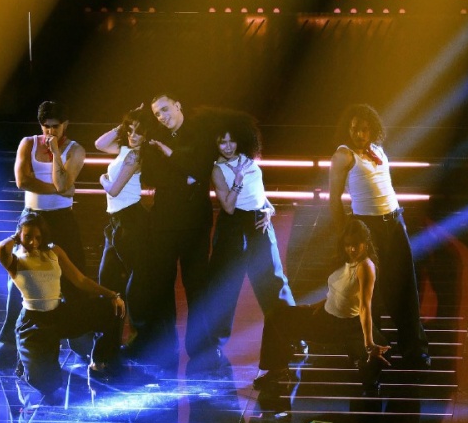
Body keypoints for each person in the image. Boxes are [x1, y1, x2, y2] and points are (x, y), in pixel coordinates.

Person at [0, 101, 87, 371]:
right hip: (31, 218)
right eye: (46, 126)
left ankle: (81, 343)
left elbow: (66, 184)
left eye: (56, 126)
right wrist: (58, 188)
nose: (50, 131)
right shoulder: (28, 143)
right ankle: (6, 345)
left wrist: (55, 155)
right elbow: (23, 181)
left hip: (62, 220)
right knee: (17, 281)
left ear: (65, 124)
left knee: (72, 278)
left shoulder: (74, 149)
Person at [328, 103, 429, 366]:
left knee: (406, 284)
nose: (359, 134)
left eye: (363, 129)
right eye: (354, 129)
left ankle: (414, 349)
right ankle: (372, 350)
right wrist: (345, 236)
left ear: (372, 130)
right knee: (369, 289)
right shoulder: (344, 155)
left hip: (394, 221)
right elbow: (334, 198)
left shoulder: (377, 151)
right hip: (367, 226)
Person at [0, 211, 125, 405]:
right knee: (49, 386)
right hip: (34, 323)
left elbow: (80, 280)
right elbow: (0, 248)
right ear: (19, 235)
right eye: (28, 236)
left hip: (59, 313)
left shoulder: (53, 251)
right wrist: (17, 236)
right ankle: (25, 365)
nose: (33, 242)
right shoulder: (15, 260)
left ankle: (99, 360)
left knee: (112, 308)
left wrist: (111, 295)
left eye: (38, 237)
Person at [253, 219, 387, 406]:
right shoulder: (347, 261)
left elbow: (364, 305)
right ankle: (277, 371)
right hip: (326, 317)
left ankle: (369, 383)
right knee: (277, 316)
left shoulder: (366, 267)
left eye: (356, 245)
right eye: (348, 245)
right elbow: (340, 291)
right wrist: (317, 305)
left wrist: (369, 342)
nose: (352, 250)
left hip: (347, 325)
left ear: (365, 242)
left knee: (378, 354)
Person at [202, 112, 293, 357]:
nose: (228, 146)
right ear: (215, 143)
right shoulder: (217, 169)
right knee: (226, 286)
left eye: (232, 140)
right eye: (222, 141)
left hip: (260, 222)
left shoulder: (248, 158)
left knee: (275, 281)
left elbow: (260, 193)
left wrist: (269, 209)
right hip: (234, 225)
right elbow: (228, 206)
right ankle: (214, 345)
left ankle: (291, 335)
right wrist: (239, 179)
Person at [138, 94, 218, 371]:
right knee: (162, 286)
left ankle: (201, 348)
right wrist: (184, 175)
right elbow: (149, 176)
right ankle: (165, 348)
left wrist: (177, 163)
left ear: (178, 105)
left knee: (197, 286)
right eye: (157, 113)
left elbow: (202, 167)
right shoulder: (153, 139)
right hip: (163, 222)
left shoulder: (200, 133)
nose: (161, 116)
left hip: (195, 221)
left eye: (165, 109)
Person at [93, 107, 152, 348]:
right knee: (107, 282)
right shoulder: (125, 149)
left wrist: (102, 180)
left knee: (132, 286)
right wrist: (124, 122)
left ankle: (137, 343)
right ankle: (109, 341)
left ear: (147, 136)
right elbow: (99, 144)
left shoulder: (136, 157)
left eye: (138, 132)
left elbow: (114, 189)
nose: (132, 135)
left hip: (130, 221)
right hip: (116, 222)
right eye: (130, 130)